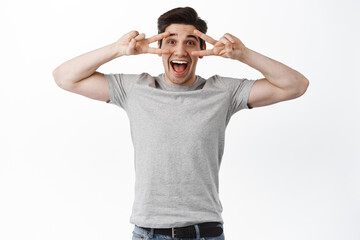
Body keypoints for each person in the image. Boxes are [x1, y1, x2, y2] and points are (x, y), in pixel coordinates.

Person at [52, 6, 309, 240]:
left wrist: (244, 55)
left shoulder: (222, 92)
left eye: (190, 42)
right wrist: (117, 49)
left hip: (204, 232)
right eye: (171, 41)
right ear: (158, 47)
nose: (180, 51)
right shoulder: (134, 88)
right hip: (147, 232)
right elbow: (65, 77)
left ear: (202, 51)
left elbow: (296, 86)